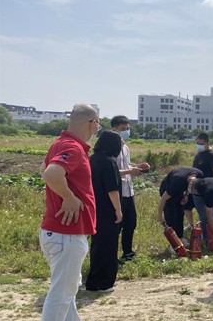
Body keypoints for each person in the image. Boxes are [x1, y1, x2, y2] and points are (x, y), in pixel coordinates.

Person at [38, 104, 100, 321]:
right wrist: (69, 198)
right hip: (65, 232)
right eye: (97, 125)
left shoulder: (60, 143)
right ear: (91, 123)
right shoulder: (73, 147)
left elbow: (45, 170)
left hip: (62, 231)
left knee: (69, 284)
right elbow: (51, 174)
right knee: (62, 288)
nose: (97, 129)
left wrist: (65, 194)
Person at [85, 131, 123, 293]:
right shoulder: (109, 162)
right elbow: (112, 189)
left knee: (97, 245)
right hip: (107, 210)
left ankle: (93, 280)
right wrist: (118, 210)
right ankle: (105, 282)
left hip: (93, 207)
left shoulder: (92, 159)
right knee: (108, 246)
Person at [110, 115, 150, 261]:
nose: (126, 131)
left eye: (128, 128)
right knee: (116, 225)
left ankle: (127, 252)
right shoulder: (112, 148)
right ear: (114, 128)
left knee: (130, 223)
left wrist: (138, 168)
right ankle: (111, 254)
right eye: (123, 129)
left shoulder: (125, 147)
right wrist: (129, 171)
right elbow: (110, 171)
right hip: (117, 191)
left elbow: (125, 168)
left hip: (129, 191)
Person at [157, 167, 203, 241]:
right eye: (193, 192)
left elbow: (189, 189)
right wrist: (160, 216)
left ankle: (180, 237)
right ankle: (174, 243)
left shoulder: (199, 175)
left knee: (180, 213)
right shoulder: (177, 182)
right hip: (167, 187)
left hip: (181, 187)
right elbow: (163, 199)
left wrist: (186, 195)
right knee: (172, 215)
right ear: (190, 184)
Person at [192, 132, 213, 244]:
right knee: (203, 217)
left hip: (211, 191)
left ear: (208, 143)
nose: (198, 145)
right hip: (198, 191)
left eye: (201, 143)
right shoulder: (198, 155)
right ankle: (206, 238)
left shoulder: (212, 155)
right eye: (197, 143)